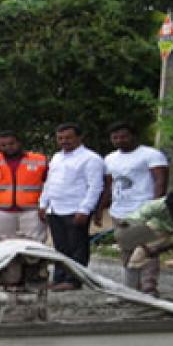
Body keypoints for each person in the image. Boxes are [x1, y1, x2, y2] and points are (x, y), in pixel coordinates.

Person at [100, 122, 169, 294]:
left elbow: (160, 181)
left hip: (143, 209)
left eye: (123, 136)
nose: (119, 140)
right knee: (126, 249)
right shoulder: (109, 158)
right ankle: (132, 287)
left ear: (133, 136)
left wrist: (155, 207)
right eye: (115, 137)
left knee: (147, 248)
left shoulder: (151, 155)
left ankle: (149, 286)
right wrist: (99, 209)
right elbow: (108, 186)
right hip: (119, 211)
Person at [38, 123, 104, 291]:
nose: (64, 141)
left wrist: (85, 209)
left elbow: (95, 186)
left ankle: (74, 280)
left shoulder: (91, 158)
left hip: (76, 209)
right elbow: (49, 182)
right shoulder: (57, 157)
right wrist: (43, 203)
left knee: (77, 247)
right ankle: (59, 278)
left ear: (79, 137)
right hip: (55, 208)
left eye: (68, 137)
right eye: (60, 138)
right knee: (60, 247)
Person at [0, 131, 47, 242]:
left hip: (33, 212)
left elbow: (49, 184)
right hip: (1, 212)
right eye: (3, 145)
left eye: (11, 143)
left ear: (19, 143)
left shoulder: (39, 160)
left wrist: (45, 205)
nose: (8, 147)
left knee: (34, 245)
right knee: (3, 246)